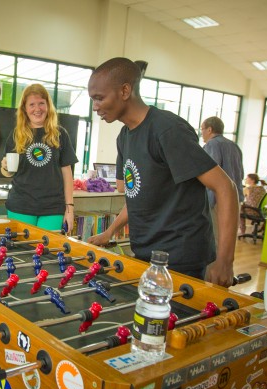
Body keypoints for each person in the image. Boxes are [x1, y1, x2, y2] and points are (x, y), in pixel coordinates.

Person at [86, 57, 238, 287]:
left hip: (180, 257)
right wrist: (110, 232)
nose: (95, 107)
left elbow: (226, 187)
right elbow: (139, 195)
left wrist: (225, 262)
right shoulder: (124, 137)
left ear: (125, 90)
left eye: (99, 98)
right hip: (146, 253)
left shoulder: (167, 130)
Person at [0, 83, 78, 233]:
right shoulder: (17, 134)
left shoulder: (60, 134)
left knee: (47, 253)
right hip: (20, 206)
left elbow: (67, 174)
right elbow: (8, 172)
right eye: (32, 104)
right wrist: (5, 168)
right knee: (21, 253)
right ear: (25, 109)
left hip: (53, 207)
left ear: (48, 106)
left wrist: (70, 208)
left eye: (41, 103)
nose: (37, 109)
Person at [201, 116, 244, 243]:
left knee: (214, 237)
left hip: (217, 199)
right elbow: (240, 173)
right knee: (227, 239)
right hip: (235, 198)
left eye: (202, 129)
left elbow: (209, 174)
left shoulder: (212, 145)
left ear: (209, 129)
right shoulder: (234, 146)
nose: (201, 133)